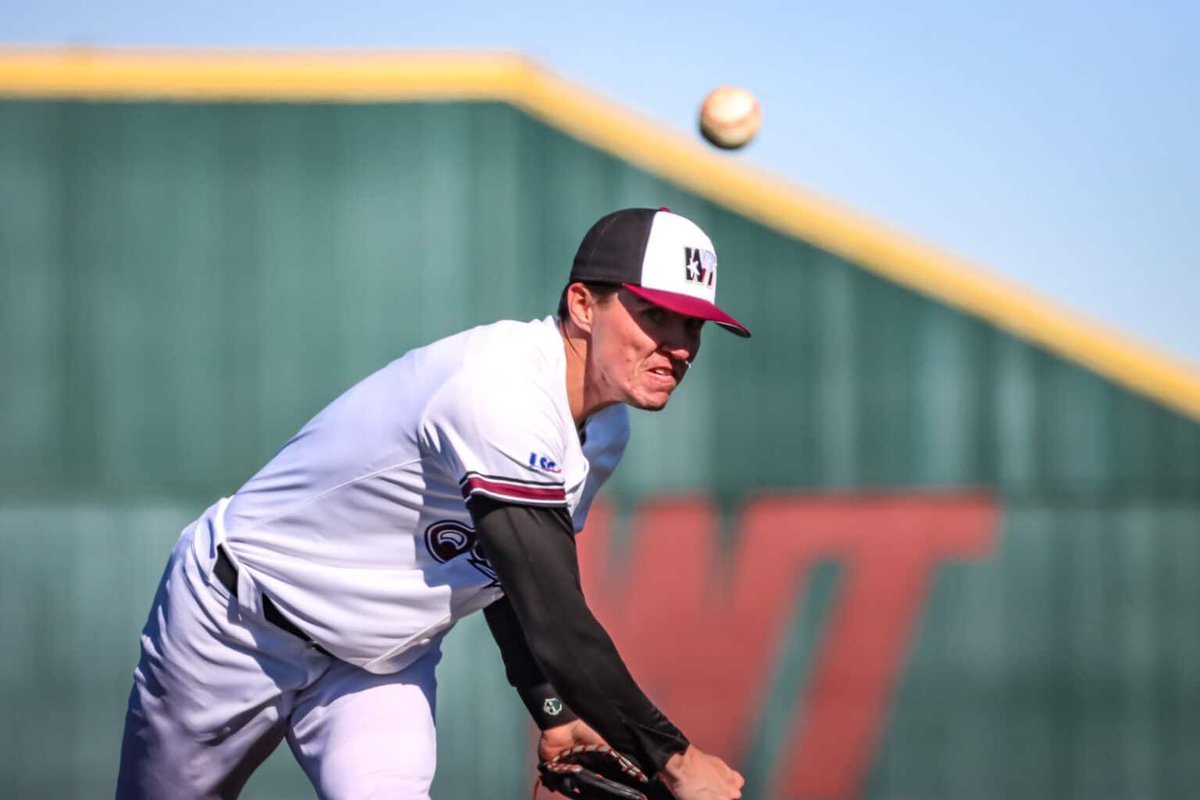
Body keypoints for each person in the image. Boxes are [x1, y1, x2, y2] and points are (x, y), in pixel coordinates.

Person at [116, 207, 751, 799]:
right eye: (656, 315)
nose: (679, 345)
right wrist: (676, 759)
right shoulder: (500, 387)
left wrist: (553, 710)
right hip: (237, 623)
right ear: (583, 304)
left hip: (377, 666)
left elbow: (512, 575)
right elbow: (556, 617)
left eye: (693, 324)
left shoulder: (607, 429)